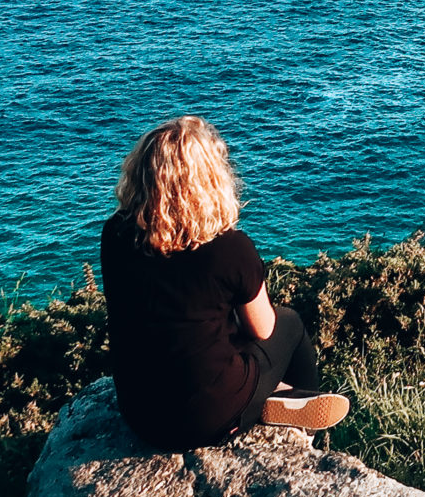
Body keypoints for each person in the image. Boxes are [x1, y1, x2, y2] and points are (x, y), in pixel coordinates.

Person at [98, 115, 349, 447]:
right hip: (204, 421)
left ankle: (279, 396)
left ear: (141, 174)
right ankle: (306, 434)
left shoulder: (115, 234)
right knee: (289, 324)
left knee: (210, 327)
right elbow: (263, 329)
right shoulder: (230, 249)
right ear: (210, 180)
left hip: (141, 415)